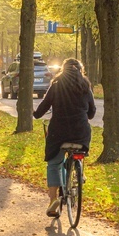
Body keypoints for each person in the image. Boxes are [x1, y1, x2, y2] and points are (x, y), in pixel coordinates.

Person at [33, 58, 96, 217]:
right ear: (80, 70)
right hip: (80, 132)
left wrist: (35, 113)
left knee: (54, 163)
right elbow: (92, 113)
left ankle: (53, 200)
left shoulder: (56, 85)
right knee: (80, 150)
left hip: (59, 133)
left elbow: (42, 109)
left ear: (63, 70)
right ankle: (79, 171)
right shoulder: (85, 86)